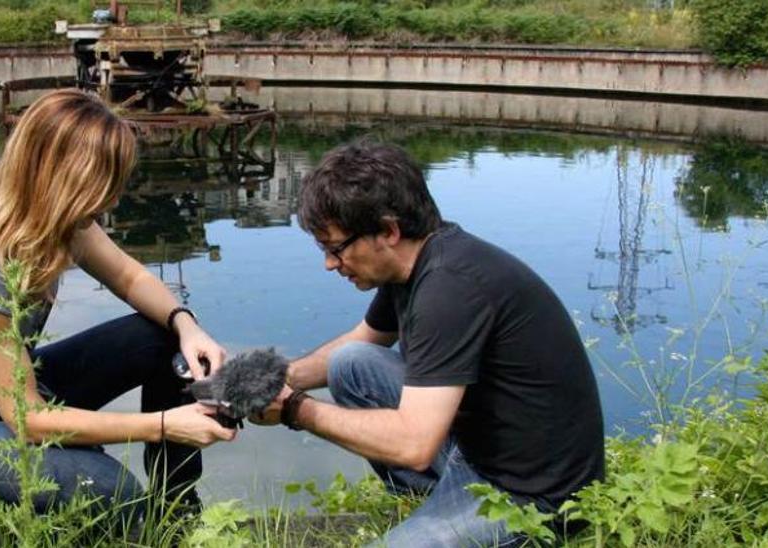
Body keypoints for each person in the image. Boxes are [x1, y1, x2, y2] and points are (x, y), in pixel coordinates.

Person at [0, 89, 235, 539]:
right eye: (106, 184)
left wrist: (187, 325)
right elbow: (32, 419)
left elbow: (128, 276)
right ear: (65, 182)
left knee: (161, 339)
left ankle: (176, 512)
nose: (115, 198)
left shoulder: (62, 222)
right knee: (105, 487)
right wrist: (161, 427)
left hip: (7, 387)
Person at [254, 140, 605, 547]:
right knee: (351, 363)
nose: (330, 264)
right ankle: (435, 504)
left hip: (534, 498)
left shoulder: (450, 290)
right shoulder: (416, 262)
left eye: (336, 249)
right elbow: (358, 342)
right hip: (478, 449)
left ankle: (457, 521)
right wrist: (273, 380)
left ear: (387, 231)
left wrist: (295, 409)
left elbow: (415, 444)